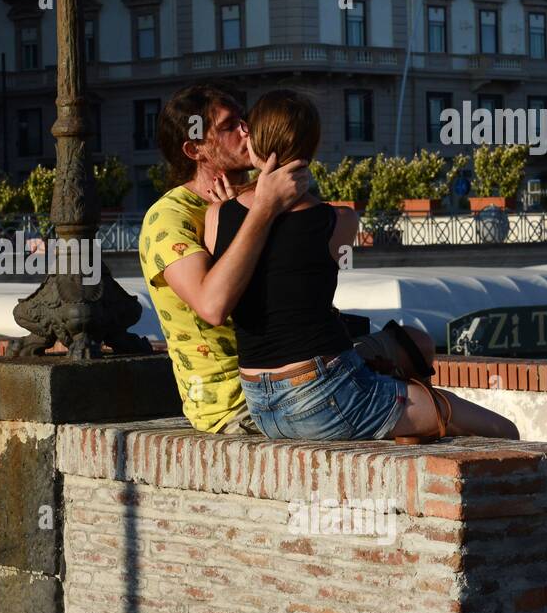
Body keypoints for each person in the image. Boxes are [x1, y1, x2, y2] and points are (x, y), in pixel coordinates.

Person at [205, 89, 520, 443]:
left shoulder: (217, 215)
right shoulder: (339, 221)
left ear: (249, 134)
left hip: (262, 406)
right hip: (324, 395)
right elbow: (309, 283)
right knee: (503, 430)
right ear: (312, 146)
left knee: (401, 357)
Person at [138, 83, 311, 433]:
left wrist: (253, 207)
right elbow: (212, 305)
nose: (247, 130)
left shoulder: (261, 196)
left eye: (244, 119)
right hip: (236, 402)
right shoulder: (169, 218)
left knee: (410, 345)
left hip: (290, 370)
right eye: (229, 126)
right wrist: (257, 213)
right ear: (194, 148)